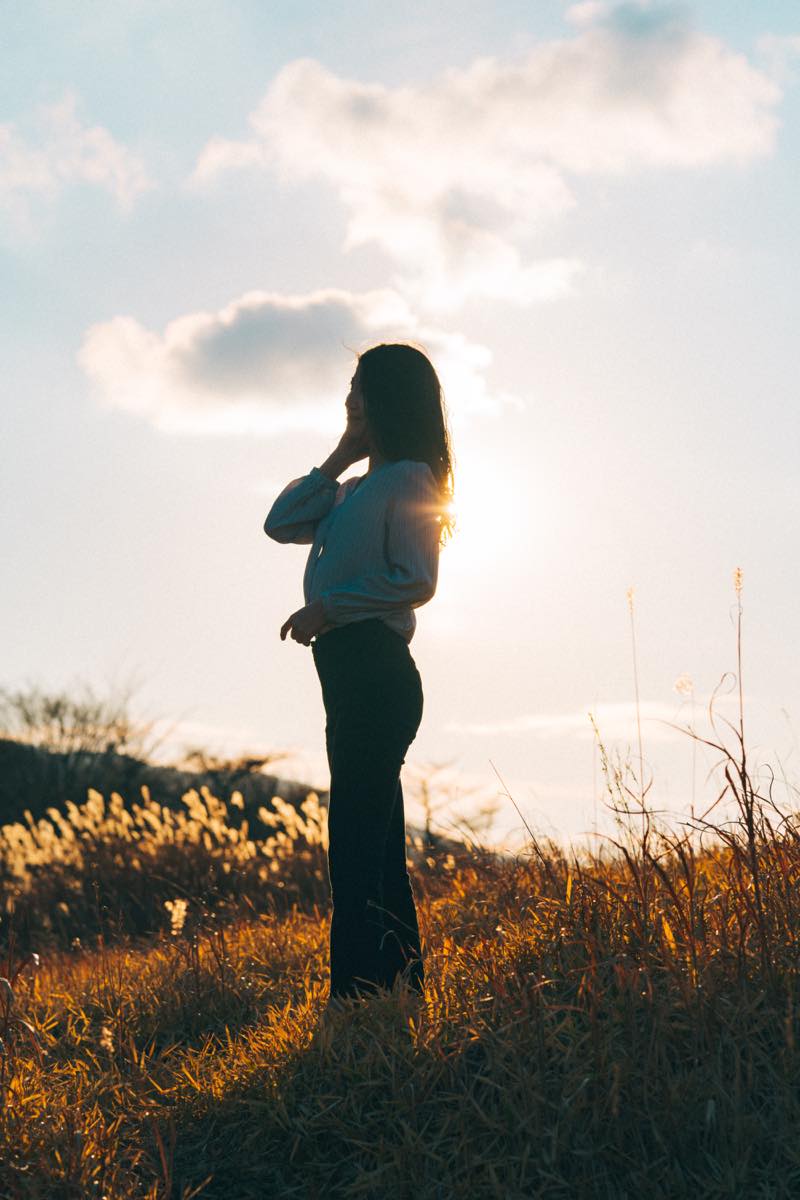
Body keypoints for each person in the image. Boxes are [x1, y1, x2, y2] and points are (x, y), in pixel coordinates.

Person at [263, 342, 455, 1019]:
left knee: (353, 837)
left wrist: (330, 608)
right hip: (346, 676)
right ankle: (399, 991)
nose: (350, 399)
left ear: (391, 399)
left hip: (376, 670)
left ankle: (353, 998)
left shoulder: (409, 479)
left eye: (362, 388)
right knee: (373, 841)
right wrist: (339, 456)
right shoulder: (347, 492)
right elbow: (279, 523)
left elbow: (417, 580)